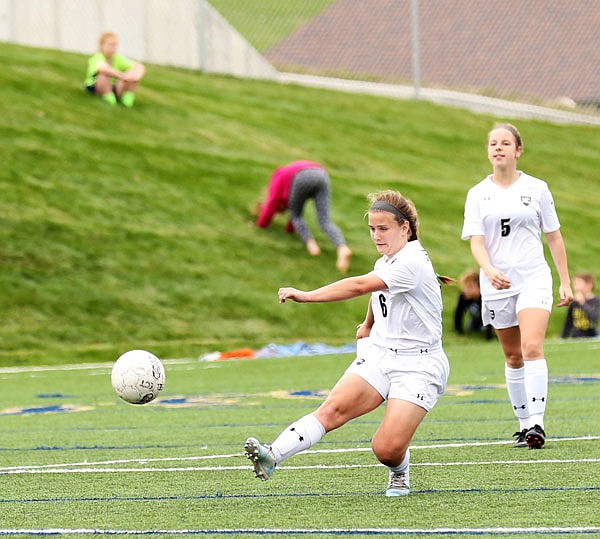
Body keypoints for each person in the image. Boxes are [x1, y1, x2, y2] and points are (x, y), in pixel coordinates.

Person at [245, 189, 451, 496]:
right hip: (382, 355)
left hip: (418, 365)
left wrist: (307, 295)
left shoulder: (412, 262)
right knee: (332, 410)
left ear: (404, 228)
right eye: (372, 229)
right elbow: (379, 288)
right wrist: (369, 323)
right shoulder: (390, 259)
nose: (377, 236)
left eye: (384, 229)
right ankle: (272, 455)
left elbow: (359, 285)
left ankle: (399, 470)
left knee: (386, 448)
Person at [461, 123, 573, 449]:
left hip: (533, 278)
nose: (498, 148)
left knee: (532, 347)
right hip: (497, 283)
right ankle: (524, 425)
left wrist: (564, 281)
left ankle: (538, 423)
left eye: (505, 143)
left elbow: (553, 235)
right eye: (493, 143)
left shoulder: (537, 189)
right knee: (513, 357)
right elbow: (477, 242)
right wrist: (489, 269)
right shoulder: (477, 194)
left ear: (518, 150)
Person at [255, 160, 353, 272]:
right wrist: (289, 230)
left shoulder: (277, 178)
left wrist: (260, 225)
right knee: (324, 220)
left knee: (296, 215)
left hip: (302, 176)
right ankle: (342, 247)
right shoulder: (286, 174)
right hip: (321, 175)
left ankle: (312, 245)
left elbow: (272, 203)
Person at [84, 32, 145, 107]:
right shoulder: (97, 57)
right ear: (102, 45)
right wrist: (122, 76)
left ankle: (127, 97)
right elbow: (103, 69)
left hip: (112, 85)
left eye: (115, 45)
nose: (113, 48)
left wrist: (135, 76)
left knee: (133, 72)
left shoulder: (117, 58)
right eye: (110, 45)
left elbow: (139, 66)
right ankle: (108, 96)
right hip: (95, 86)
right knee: (104, 75)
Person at [454, 269, 493, 340]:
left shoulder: (485, 296)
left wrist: (488, 337)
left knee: (485, 327)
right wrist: (459, 331)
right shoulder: (464, 296)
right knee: (471, 328)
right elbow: (458, 313)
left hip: (489, 319)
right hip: (476, 318)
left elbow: (489, 315)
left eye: (469, 287)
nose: (465, 290)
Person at [561, 273, 599, 338]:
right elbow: (568, 321)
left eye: (578, 284)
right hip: (576, 336)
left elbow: (595, 317)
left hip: (592, 334)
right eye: (574, 284)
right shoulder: (574, 303)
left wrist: (582, 303)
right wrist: (562, 338)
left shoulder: (597, 301)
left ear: (589, 285)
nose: (575, 287)